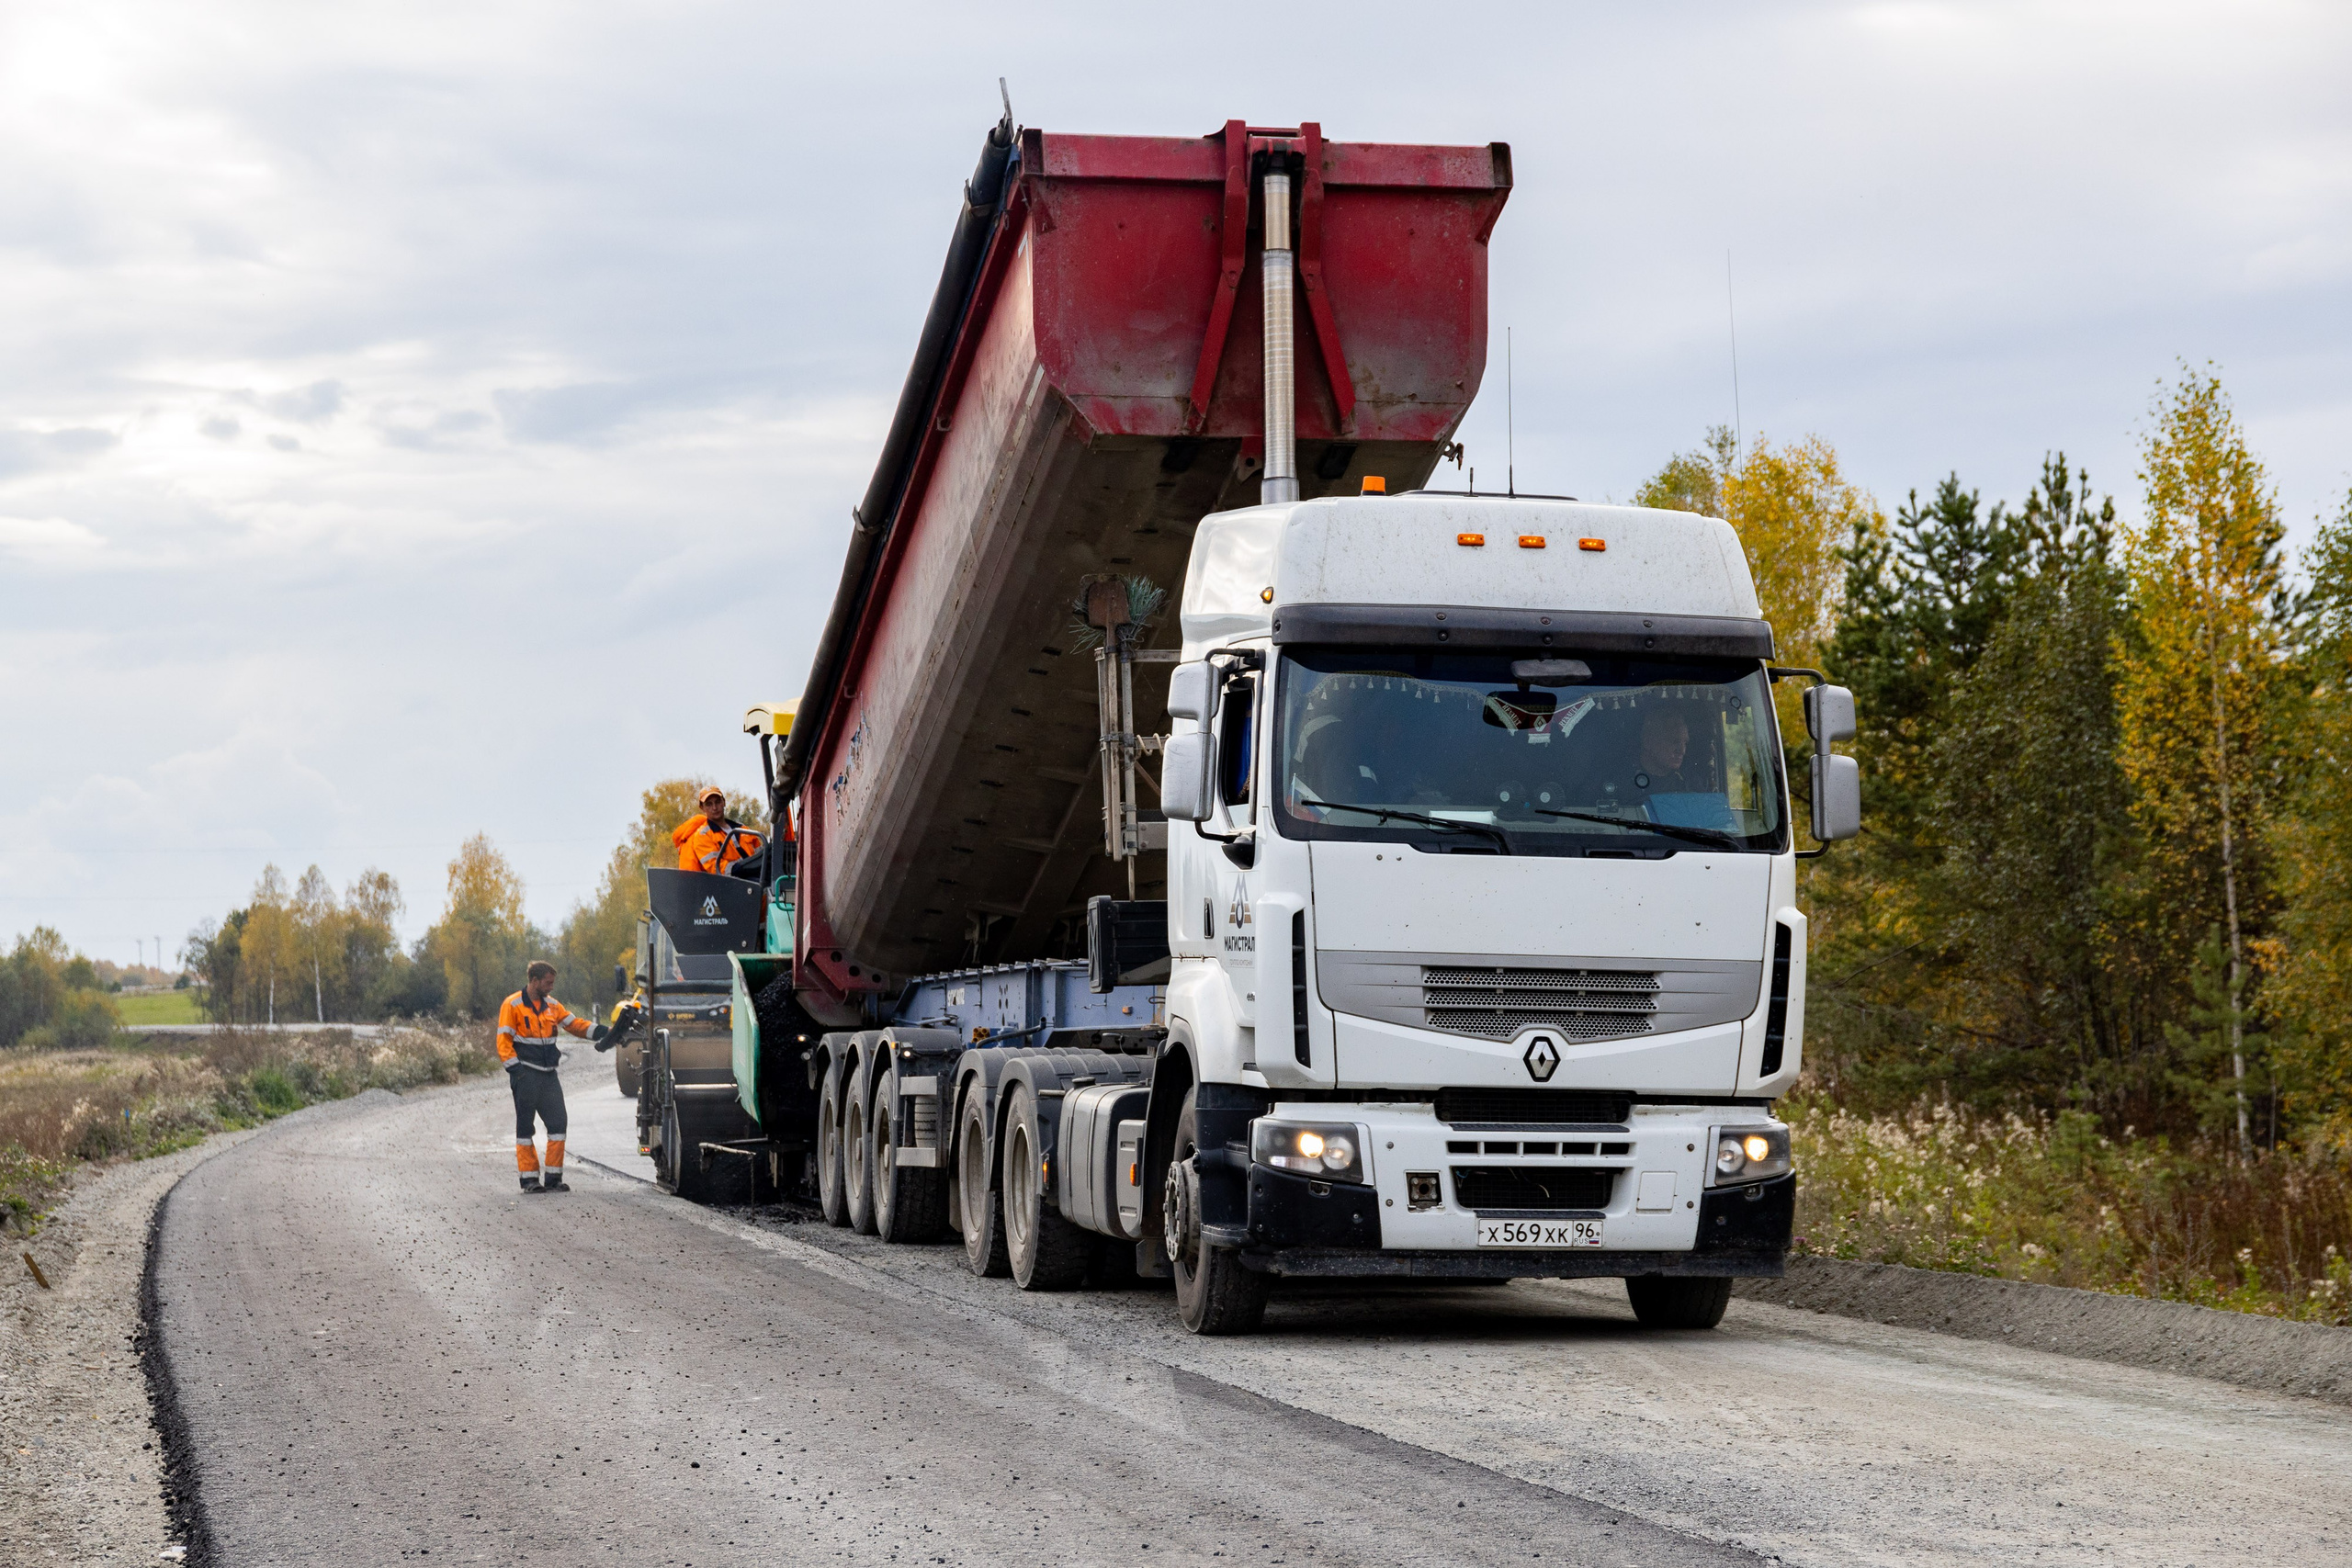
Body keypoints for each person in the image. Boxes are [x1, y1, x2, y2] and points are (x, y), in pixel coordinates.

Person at [496, 961, 608, 1193]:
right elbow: (503, 1041)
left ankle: (554, 1179)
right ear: (534, 981)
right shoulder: (513, 1004)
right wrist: (516, 1071)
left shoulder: (553, 1006)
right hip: (525, 1075)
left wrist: (603, 1032)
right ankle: (529, 1180)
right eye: (548, 983)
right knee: (525, 1129)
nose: (551, 987)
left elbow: (575, 1025)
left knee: (558, 1124)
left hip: (548, 1076)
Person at [673, 787, 765, 876]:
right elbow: (716, 868)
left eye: (717, 802)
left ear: (724, 802)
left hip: (759, 880)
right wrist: (744, 868)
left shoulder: (744, 829)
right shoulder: (703, 836)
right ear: (702, 808)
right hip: (734, 885)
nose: (714, 808)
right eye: (709, 804)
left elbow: (761, 855)